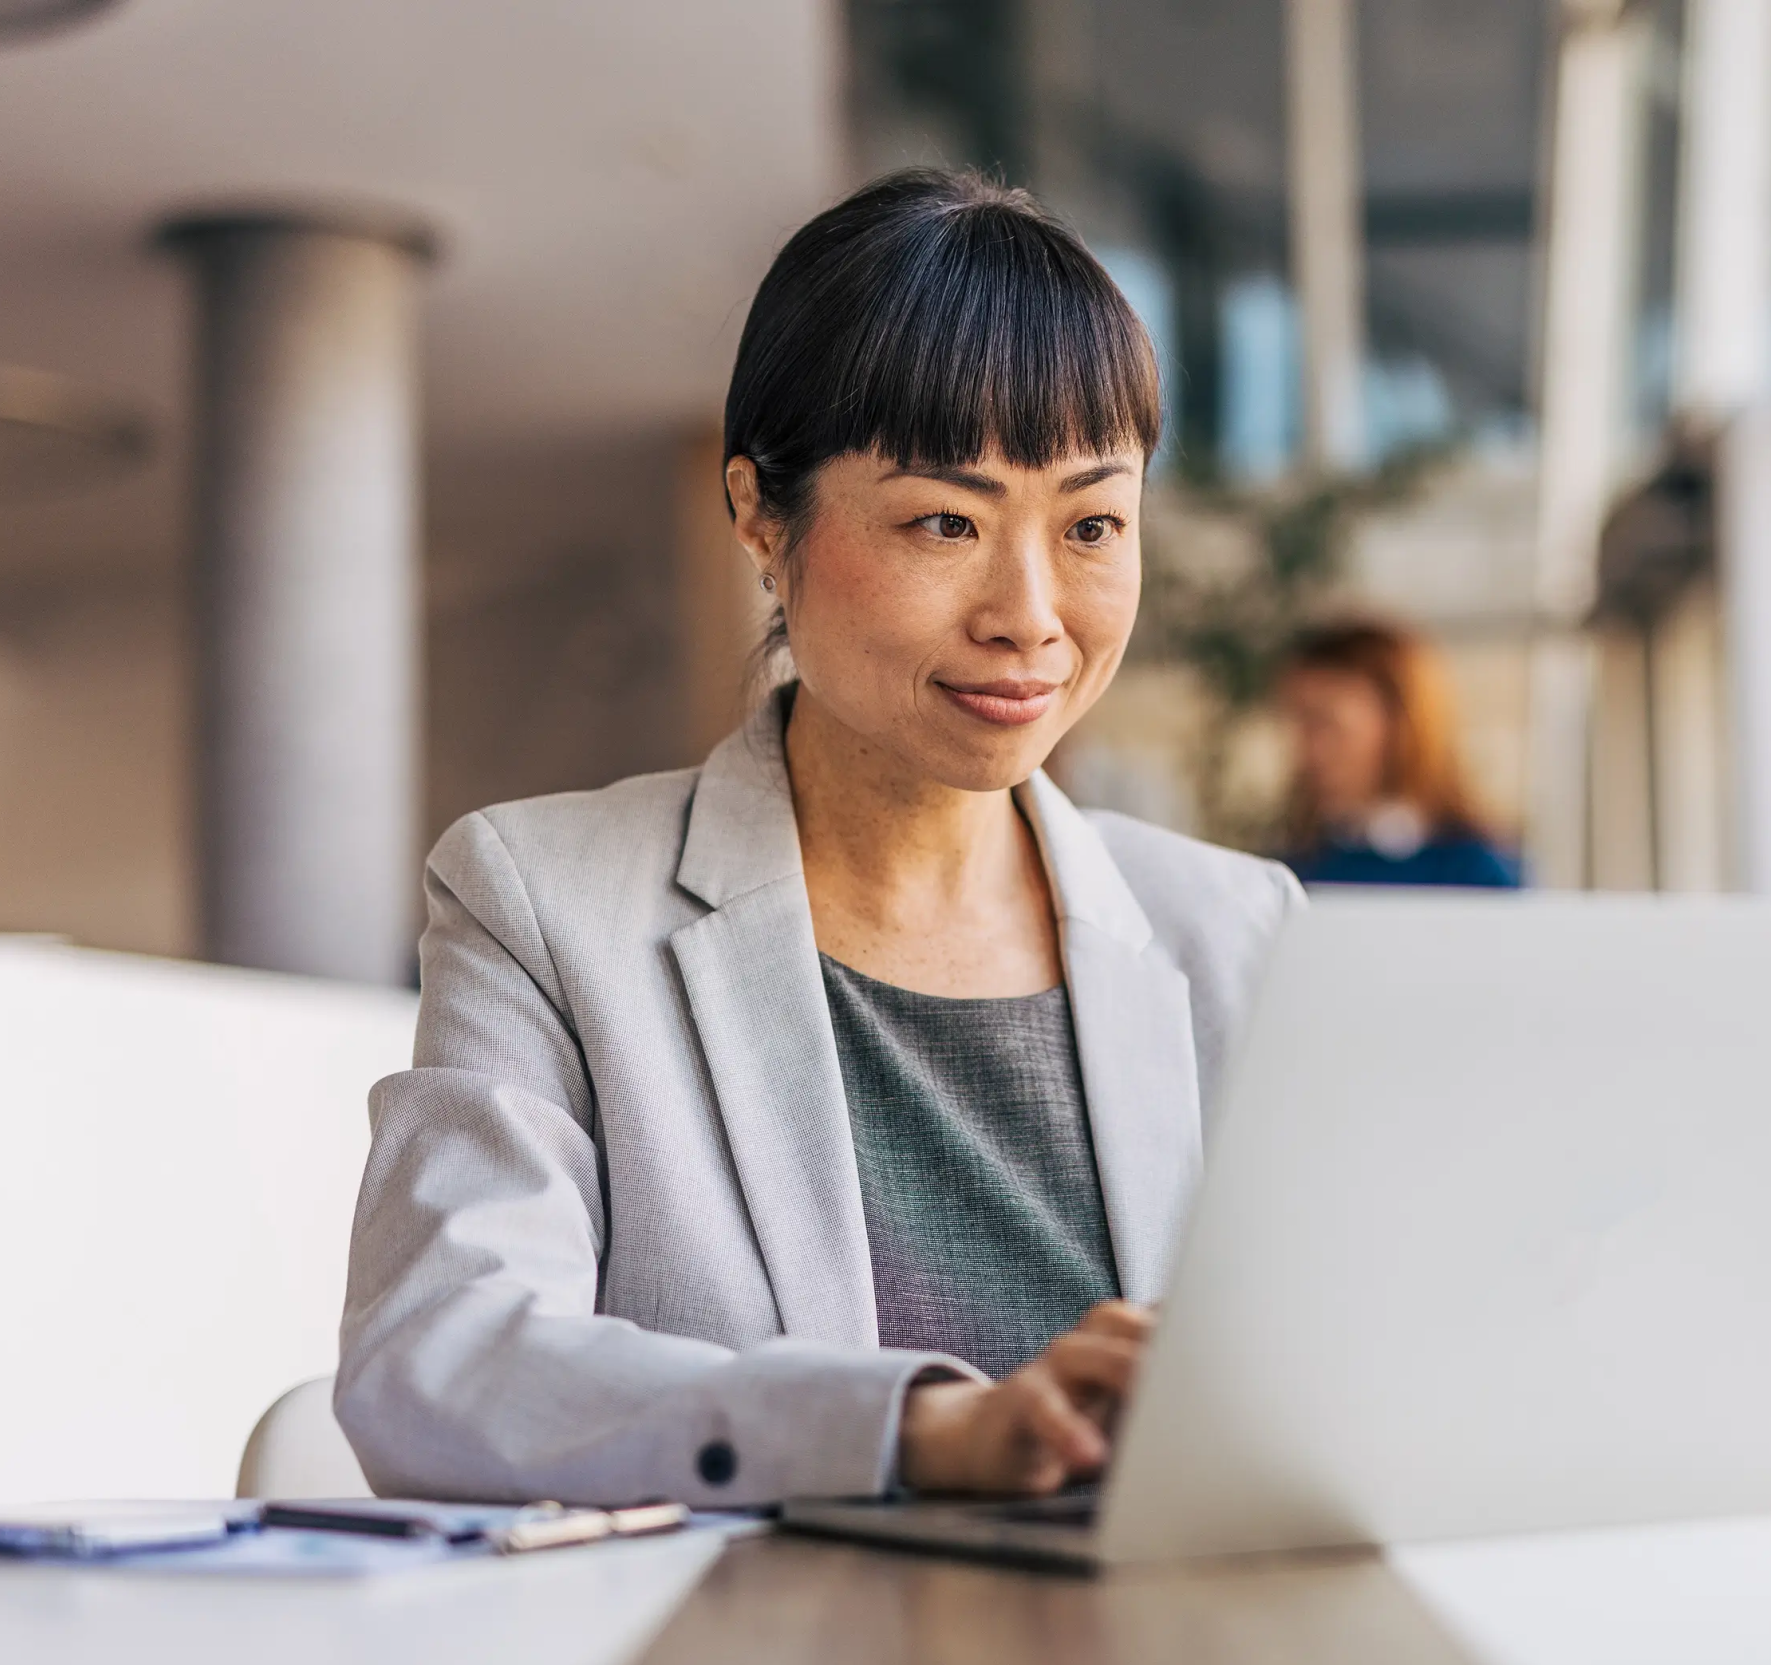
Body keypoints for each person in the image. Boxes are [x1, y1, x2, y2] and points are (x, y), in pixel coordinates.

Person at [334, 170, 1302, 1511]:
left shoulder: (1243, 933)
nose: (1031, 615)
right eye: (945, 524)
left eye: (1092, 525)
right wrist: (911, 1432)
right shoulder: (546, 903)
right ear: (760, 516)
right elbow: (439, 1367)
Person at [1275, 621, 1523, 889]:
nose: (1307, 749)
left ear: (1400, 727)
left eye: (1326, 724)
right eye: (1297, 724)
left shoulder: (1476, 874)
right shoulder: (1293, 872)